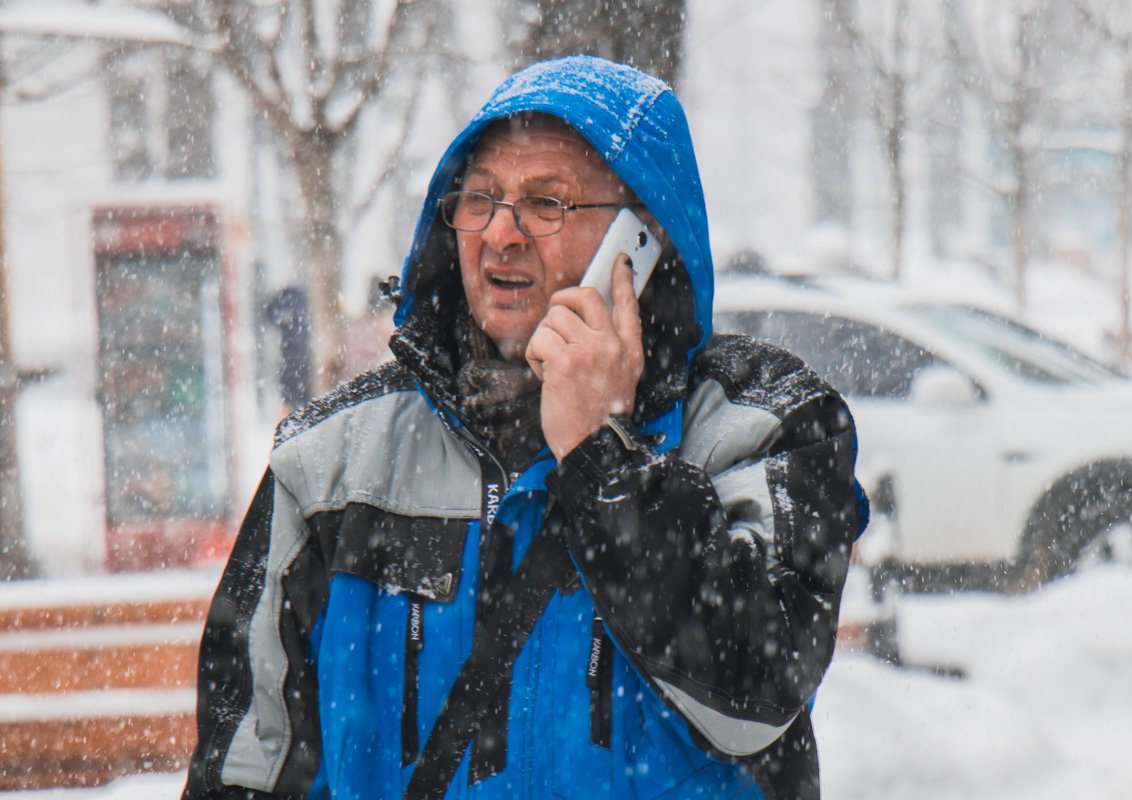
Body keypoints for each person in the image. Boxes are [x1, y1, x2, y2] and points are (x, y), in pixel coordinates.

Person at [184, 55, 867, 800]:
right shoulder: (333, 462)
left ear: (643, 241)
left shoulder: (766, 428)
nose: (501, 234)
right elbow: (246, 769)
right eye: (480, 198)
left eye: (547, 204)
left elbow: (753, 697)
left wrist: (603, 456)